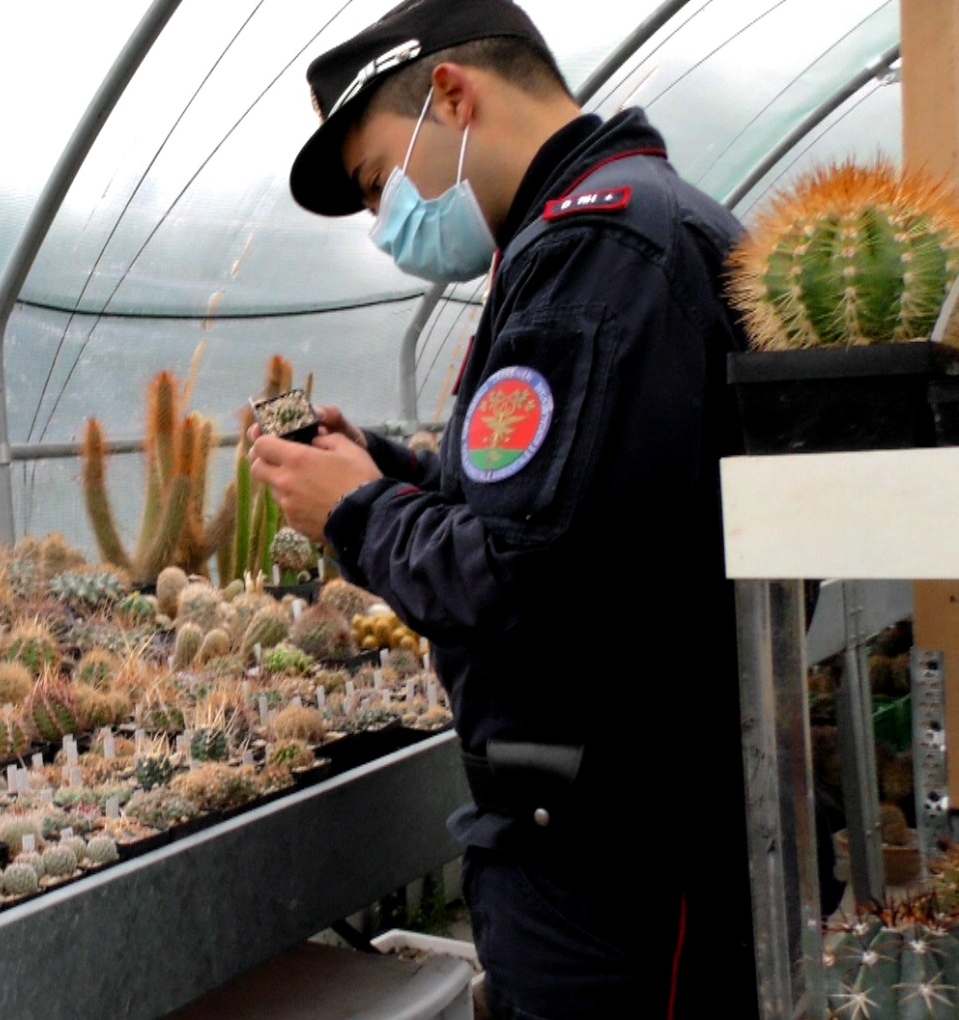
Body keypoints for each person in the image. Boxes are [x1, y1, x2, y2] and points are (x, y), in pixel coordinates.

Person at [250, 1, 759, 1017]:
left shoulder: (598, 252)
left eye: (375, 180)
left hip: (610, 864)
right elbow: (566, 508)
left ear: (450, 95)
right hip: (604, 839)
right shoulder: (615, 227)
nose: (380, 219)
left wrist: (355, 513)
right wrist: (383, 467)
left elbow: (523, 577)